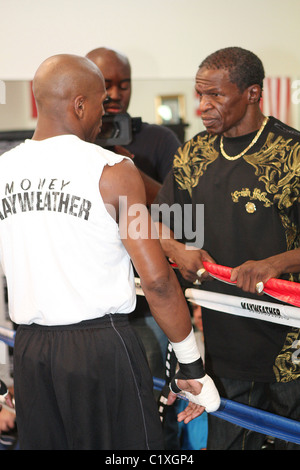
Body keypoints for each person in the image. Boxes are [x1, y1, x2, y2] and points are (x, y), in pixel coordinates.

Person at [0, 53, 220, 450]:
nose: (104, 116)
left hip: (31, 351)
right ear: (79, 105)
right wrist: (190, 363)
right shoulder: (114, 171)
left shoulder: (3, 170)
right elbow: (156, 280)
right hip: (100, 347)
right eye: (101, 103)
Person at [153, 46, 300, 450]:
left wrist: (275, 263)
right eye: (200, 94)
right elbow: (161, 226)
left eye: (215, 95)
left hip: (291, 345)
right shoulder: (193, 155)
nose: (203, 106)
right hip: (226, 344)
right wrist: (178, 249)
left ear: (252, 93)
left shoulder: (292, 153)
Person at [86, 47, 182, 438]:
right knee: (97, 414)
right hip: (87, 303)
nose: (115, 93)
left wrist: (132, 172)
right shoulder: (68, 146)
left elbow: (184, 217)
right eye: (105, 84)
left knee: (155, 409)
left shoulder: (159, 139)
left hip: (146, 304)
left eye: (123, 84)